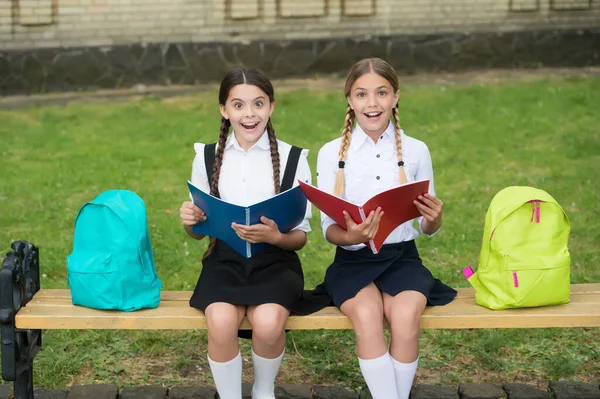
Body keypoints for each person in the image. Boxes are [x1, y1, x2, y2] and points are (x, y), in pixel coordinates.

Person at [315, 58, 457, 399]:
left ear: (395, 97)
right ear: (350, 100)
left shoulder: (416, 149)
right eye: (361, 94)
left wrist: (434, 219)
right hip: (353, 261)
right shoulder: (331, 153)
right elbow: (327, 228)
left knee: (406, 317)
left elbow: (426, 226)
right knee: (366, 315)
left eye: (382, 93)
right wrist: (351, 236)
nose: (372, 103)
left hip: (401, 259)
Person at [179, 67, 313, 399]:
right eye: (238, 105)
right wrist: (190, 220)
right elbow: (198, 232)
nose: (249, 114)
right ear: (224, 110)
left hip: (276, 262)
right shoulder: (207, 157)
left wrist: (276, 238)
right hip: (224, 260)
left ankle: (263, 390)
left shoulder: (295, 159)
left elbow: (302, 236)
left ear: (271, 106)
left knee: (268, 324)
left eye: (258, 103)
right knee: (221, 322)